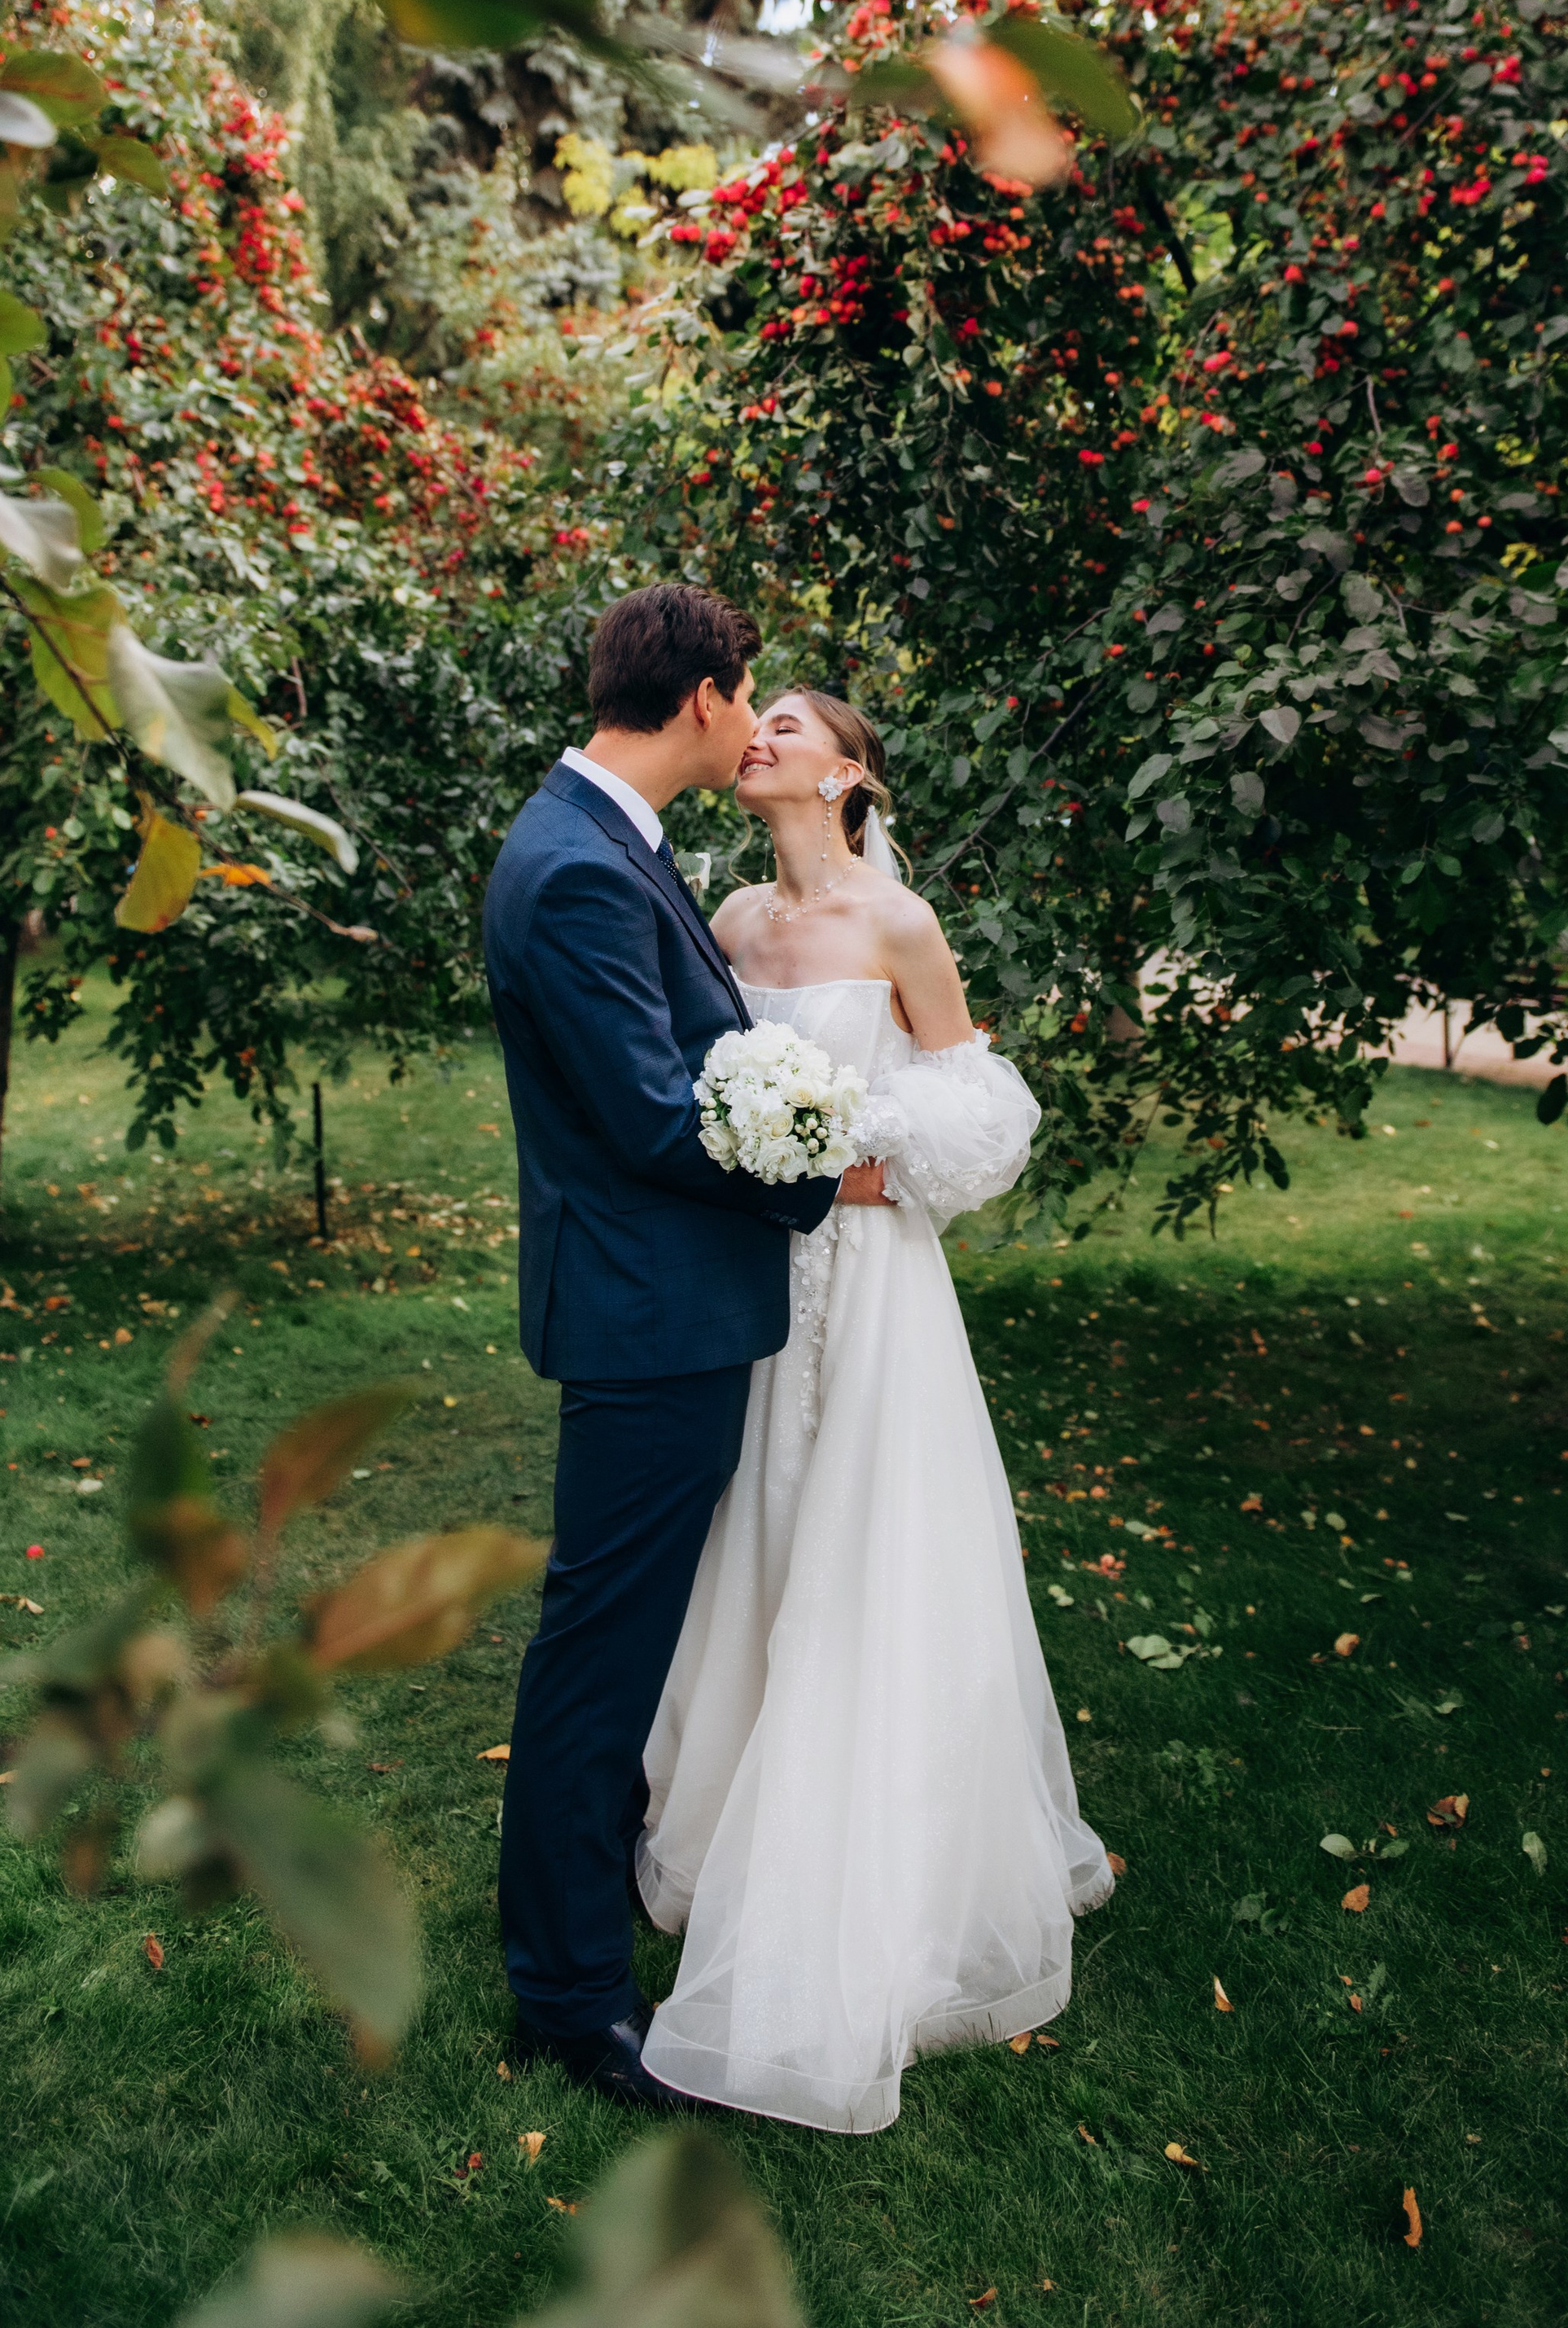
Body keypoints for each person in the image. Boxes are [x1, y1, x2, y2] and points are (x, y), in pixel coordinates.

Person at [634, 685, 1113, 2133]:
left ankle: (881, 1874)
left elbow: (980, 1118)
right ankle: (731, 1835)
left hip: (870, 1279)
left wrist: (835, 1157)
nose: (760, 734)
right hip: (750, 1284)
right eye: (754, 718)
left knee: (866, 1553)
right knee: (759, 1530)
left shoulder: (900, 930)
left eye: (789, 722)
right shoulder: (724, 920)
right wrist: (744, 1145)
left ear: (849, 775)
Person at [483, 586, 878, 2104]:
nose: (755, 718)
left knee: (618, 1641)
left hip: (664, 1307)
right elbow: (657, 1115)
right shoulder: (576, 867)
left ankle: (571, 1953)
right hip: (648, 1318)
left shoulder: (608, 843)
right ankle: (571, 2000)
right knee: (601, 1653)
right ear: (709, 699)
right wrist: (820, 1169)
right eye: (751, 696)